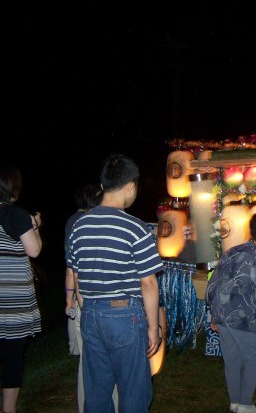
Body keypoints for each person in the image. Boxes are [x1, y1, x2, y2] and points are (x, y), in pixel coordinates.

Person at [66, 153, 164, 413]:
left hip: (90, 314)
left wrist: (87, 305)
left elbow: (76, 274)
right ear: (130, 186)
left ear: (102, 186)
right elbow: (149, 283)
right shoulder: (135, 228)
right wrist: (153, 327)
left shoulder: (79, 226)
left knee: (97, 391)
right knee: (134, 390)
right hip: (124, 316)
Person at [205, 214, 256, 413]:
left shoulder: (229, 252)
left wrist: (214, 313)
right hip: (243, 315)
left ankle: (235, 403)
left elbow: (212, 284)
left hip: (221, 313)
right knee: (254, 357)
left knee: (232, 359)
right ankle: (245, 404)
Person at [64, 182, 119, 413]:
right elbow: (72, 270)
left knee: (90, 362)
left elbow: (71, 269)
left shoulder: (73, 221)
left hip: (85, 300)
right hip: (92, 300)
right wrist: (73, 300)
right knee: (101, 361)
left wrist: (70, 300)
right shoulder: (84, 223)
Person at [0, 165, 43, 413]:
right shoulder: (16, 215)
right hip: (12, 303)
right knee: (13, 357)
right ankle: (8, 409)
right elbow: (34, 250)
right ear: (14, 190)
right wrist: (35, 226)